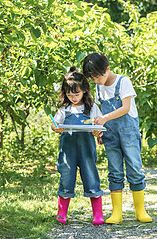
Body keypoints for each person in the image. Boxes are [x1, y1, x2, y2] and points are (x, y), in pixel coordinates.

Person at [82, 52, 152, 224]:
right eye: (93, 79)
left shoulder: (123, 82)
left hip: (128, 133)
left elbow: (125, 108)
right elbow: (101, 113)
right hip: (110, 135)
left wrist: (105, 118)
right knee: (114, 172)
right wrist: (99, 130)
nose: (96, 81)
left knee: (135, 170)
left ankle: (140, 211)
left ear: (107, 69)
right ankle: (117, 213)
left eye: (98, 77)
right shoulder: (99, 88)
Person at [51, 67, 104, 225]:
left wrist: (98, 133)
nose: (73, 98)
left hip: (86, 150)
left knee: (91, 177)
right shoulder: (64, 110)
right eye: (69, 94)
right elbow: (54, 125)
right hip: (68, 151)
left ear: (85, 91)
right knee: (66, 177)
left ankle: (98, 214)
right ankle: (62, 212)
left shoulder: (92, 108)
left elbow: (100, 127)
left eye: (77, 94)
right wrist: (56, 128)